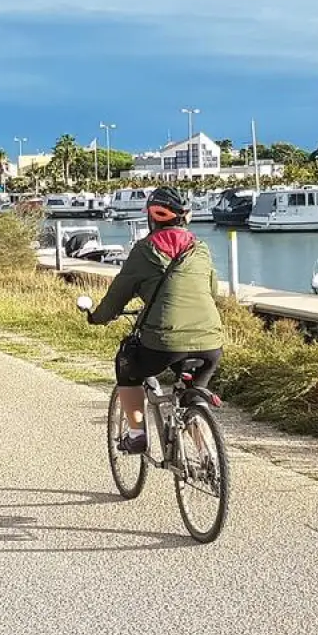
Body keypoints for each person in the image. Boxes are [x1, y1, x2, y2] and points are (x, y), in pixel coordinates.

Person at [85, 187, 225, 455]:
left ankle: (137, 435)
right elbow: (213, 290)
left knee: (127, 364)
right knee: (194, 393)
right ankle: (207, 457)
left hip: (164, 343)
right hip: (211, 341)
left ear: (152, 218)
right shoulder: (201, 248)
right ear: (185, 218)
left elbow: (118, 293)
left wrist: (98, 317)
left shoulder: (144, 249)